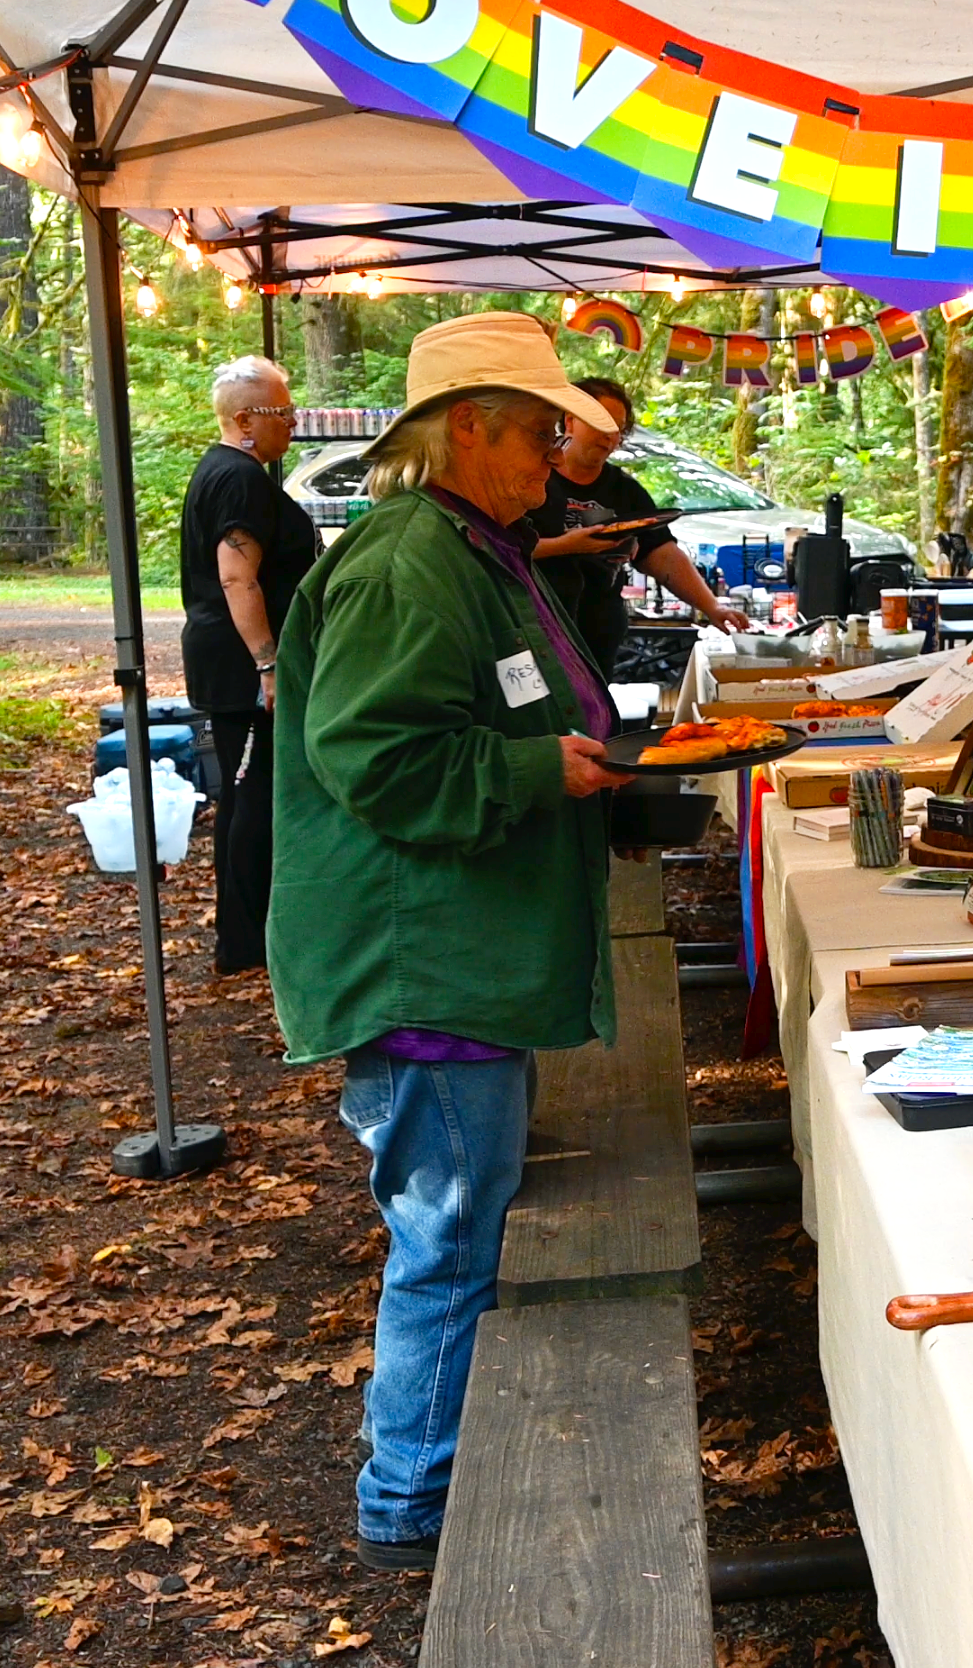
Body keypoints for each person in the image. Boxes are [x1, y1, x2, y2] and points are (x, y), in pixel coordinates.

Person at [266, 311, 633, 1573]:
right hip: (423, 966)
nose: (553, 452)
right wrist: (542, 773)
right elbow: (378, 754)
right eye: (538, 430)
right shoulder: (405, 563)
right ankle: (412, 1503)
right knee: (448, 1232)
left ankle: (426, 1477)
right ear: (464, 426)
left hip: (455, 953)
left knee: (459, 1223)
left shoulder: (472, 546)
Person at [177, 356, 318, 975]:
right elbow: (237, 577)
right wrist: (270, 665)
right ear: (243, 420)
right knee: (251, 797)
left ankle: (249, 936)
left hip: (236, 659)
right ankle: (246, 943)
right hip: (241, 665)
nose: (291, 422)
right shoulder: (237, 479)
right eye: (280, 413)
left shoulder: (236, 471)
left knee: (249, 798)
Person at [527, 374, 748, 668]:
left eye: (617, 429)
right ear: (570, 421)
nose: (609, 437)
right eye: (601, 424)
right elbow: (498, 546)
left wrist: (712, 606)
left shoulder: (625, 491)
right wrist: (565, 546)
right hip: (536, 628)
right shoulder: (532, 480)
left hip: (598, 631)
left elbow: (662, 554)